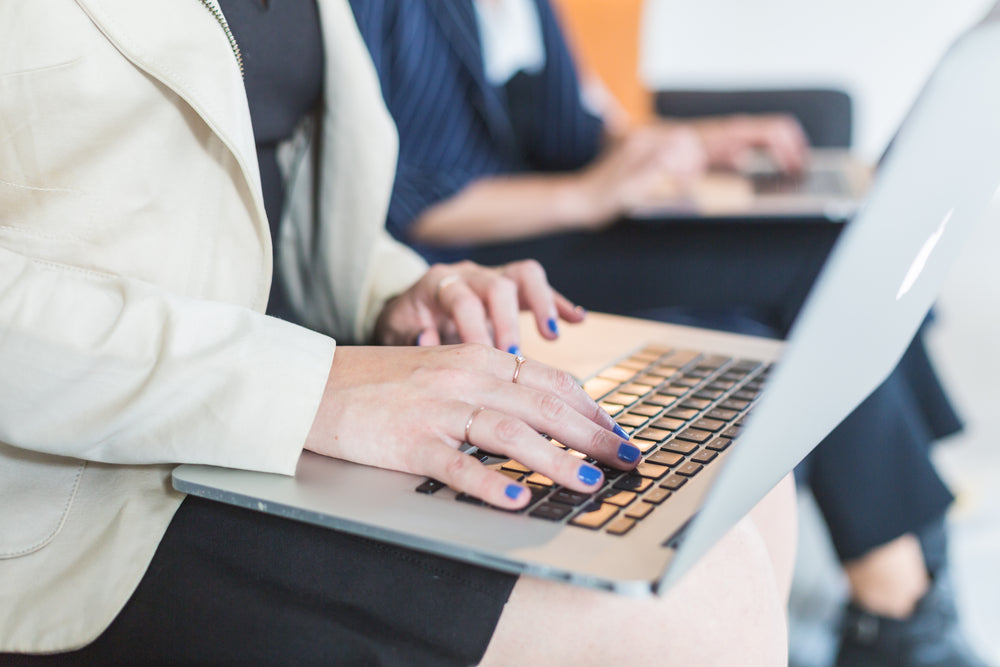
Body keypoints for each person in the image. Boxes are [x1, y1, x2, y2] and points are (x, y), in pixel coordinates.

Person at [0, 1, 798, 664]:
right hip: (86, 484)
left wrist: (403, 290)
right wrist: (311, 389)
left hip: (295, 391)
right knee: (689, 611)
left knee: (739, 476)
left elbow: (276, 183)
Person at [345, 1, 988, 665]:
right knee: (824, 273)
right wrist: (590, 196)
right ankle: (900, 609)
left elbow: (579, 130)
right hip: (493, 257)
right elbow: (400, 204)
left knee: (841, 245)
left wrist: (698, 143)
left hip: (572, 219)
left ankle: (908, 589)